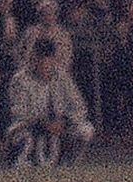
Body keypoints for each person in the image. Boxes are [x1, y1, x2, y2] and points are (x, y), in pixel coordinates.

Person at [6, 39, 95, 167]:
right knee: (20, 135)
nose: (44, 62)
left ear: (53, 59)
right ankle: (24, 162)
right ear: (34, 58)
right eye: (40, 57)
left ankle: (69, 164)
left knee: (85, 130)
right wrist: (42, 122)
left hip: (60, 124)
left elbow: (79, 107)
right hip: (31, 126)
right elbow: (18, 111)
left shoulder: (63, 77)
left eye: (48, 58)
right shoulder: (20, 79)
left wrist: (64, 121)